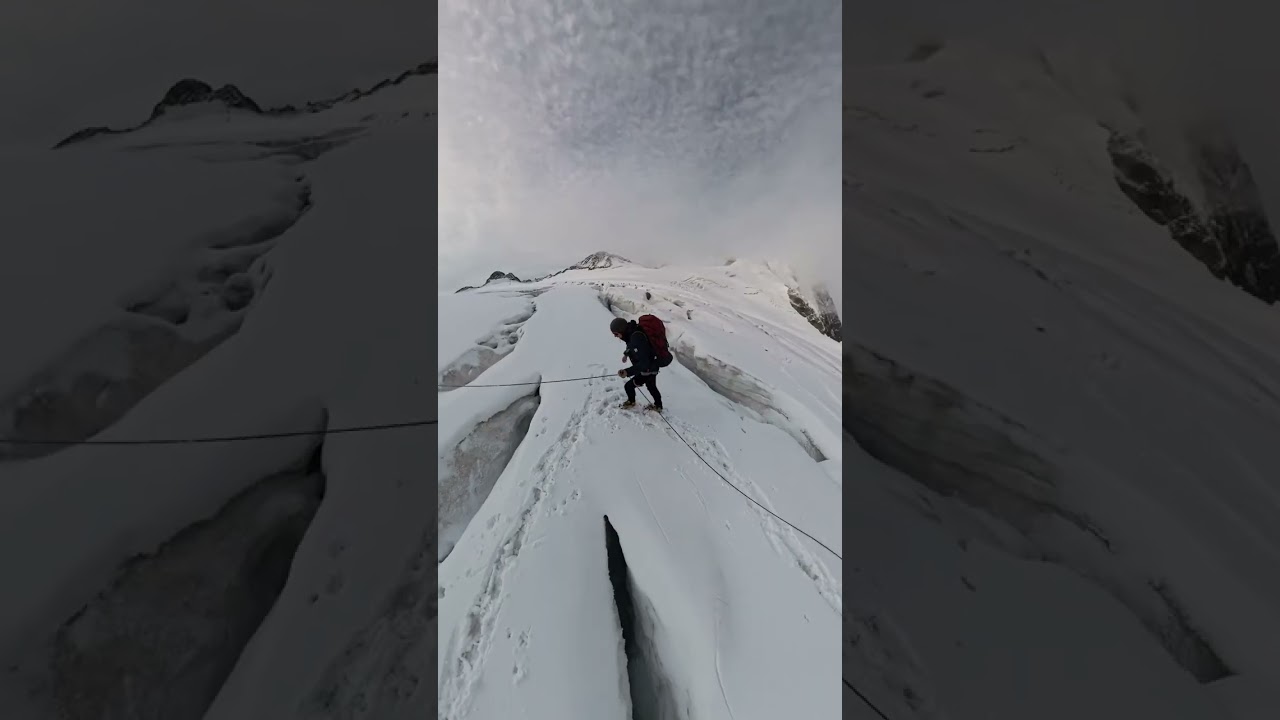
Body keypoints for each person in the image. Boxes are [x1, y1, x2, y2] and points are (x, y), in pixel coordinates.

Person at [610, 316, 663, 411]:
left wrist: (627, 372)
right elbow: (633, 347)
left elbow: (644, 362)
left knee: (628, 386)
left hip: (647, 369)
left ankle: (631, 402)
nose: (615, 336)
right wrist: (626, 354)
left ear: (621, 330)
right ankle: (658, 406)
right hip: (653, 366)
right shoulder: (632, 333)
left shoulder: (635, 338)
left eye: (616, 333)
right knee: (651, 386)